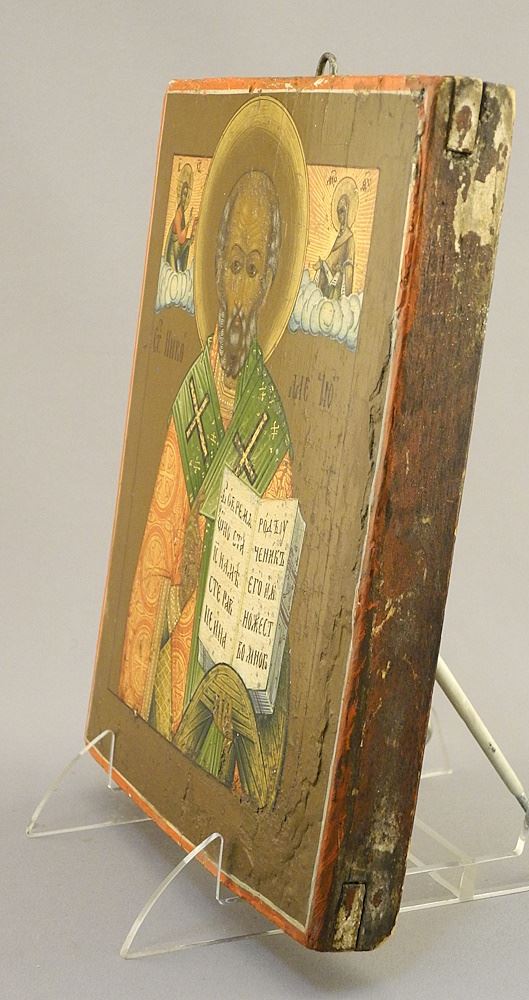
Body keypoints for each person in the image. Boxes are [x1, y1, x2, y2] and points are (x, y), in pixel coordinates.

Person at [118, 169, 293, 806]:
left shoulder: (271, 425)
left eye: (254, 271)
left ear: (269, 282)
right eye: (233, 265)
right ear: (216, 269)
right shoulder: (191, 395)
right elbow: (154, 560)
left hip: (233, 670)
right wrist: (179, 585)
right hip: (177, 652)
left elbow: (274, 587)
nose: (240, 290)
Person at [316, 192, 355, 299]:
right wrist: (322, 264)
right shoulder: (338, 237)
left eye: (342, 211)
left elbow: (349, 264)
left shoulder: (349, 238)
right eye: (338, 212)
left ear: (347, 212)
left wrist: (341, 269)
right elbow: (331, 260)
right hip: (329, 284)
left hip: (338, 284)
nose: (339, 216)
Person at [164, 163, 196, 272]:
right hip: (172, 255)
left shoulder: (182, 213)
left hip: (176, 254)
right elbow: (181, 239)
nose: (184, 197)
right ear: (180, 193)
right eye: (183, 194)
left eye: (186, 195)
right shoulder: (178, 214)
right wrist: (189, 223)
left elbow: (182, 243)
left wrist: (192, 233)